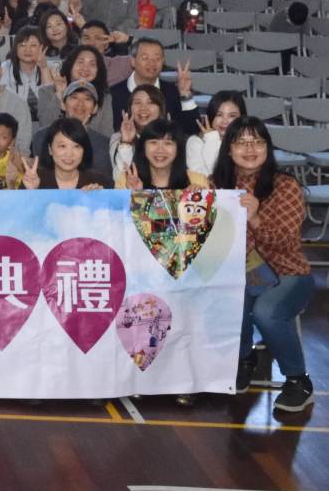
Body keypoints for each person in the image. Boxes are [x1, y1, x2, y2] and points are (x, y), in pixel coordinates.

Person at [212, 117, 314, 410]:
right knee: (227, 299)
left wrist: (255, 218)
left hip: (288, 272)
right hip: (241, 273)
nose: (250, 149)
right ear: (228, 149)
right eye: (241, 142)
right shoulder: (215, 187)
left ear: (268, 148)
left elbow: (286, 243)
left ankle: (298, 379)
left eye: (257, 142)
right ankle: (244, 359)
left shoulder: (286, 186)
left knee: (266, 312)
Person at [109, 37, 193, 123]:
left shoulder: (173, 92)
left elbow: (190, 127)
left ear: (163, 62)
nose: (152, 63)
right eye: (145, 58)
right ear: (133, 61)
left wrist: (185, 93)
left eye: (157, 58)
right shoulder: (114, 94)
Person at [23, 119, 113, 190]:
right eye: (62, 146)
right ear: (50, 149)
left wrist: (100, 198)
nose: (69, 154)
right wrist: (32, 191)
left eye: (76, 146)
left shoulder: (100, 182)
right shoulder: (33, 179)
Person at [187, 91, 245, 178]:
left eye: (232, 116)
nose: (225, 121)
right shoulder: (196, 141)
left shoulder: (248, 142)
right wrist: (212, 139)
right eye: (219, 115)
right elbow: (203, 178)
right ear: (211, 115)